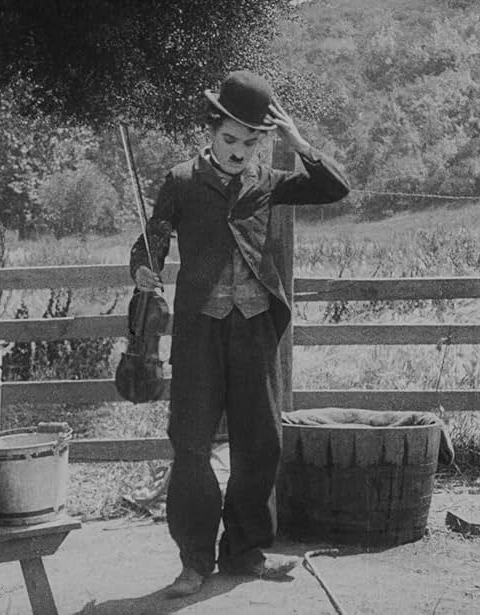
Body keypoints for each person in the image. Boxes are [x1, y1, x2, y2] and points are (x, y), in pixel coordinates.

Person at [129, 70, 350, 597]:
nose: (238, 151)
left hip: (255, 331)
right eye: (230, 139)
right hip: (200, 332)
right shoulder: (181, 180)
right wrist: (144, 267)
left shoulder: (269, 181)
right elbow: (150, 241)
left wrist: (297, 141)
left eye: (251, 143)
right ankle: (194, 560)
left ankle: (245, 551)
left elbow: (335, 187)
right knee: (190, 444)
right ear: (210, 132)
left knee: (262, 443)